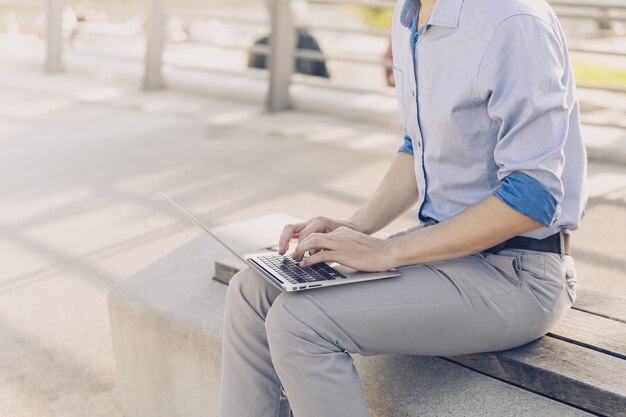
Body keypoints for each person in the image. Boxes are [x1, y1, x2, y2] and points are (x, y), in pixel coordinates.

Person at [218, 0, 587, 416]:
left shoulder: (514, 21)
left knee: (299, 324)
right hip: (441, 254)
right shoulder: (408, 16)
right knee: (250, 292)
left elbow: (535, 195)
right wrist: (355, 228)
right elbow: (419, 147)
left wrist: (388, 252)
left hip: (519, 272)